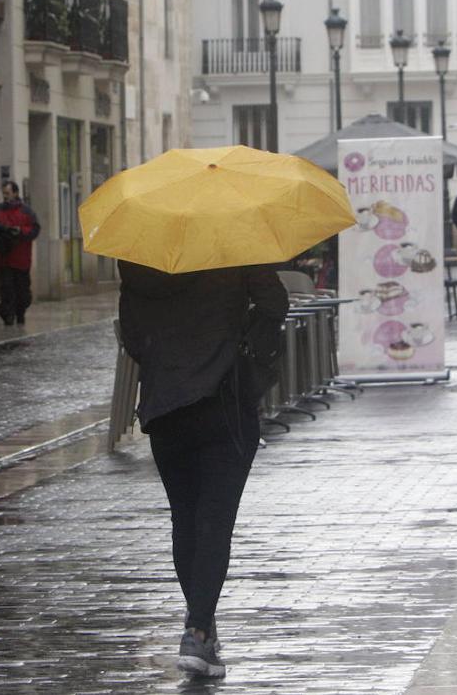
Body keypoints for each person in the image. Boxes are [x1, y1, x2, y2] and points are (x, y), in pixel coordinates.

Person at [118, 261, 288, 678]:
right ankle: (197, 631)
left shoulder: (139, 259)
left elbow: (133, 337)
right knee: (214, 521)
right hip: (223, 399)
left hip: (165, 406)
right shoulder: (232, 247)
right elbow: (275, 304)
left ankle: (202, 632)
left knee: (186, 518)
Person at [0, 182, 41, 325]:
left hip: (22, 260)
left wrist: (20, 231)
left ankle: (20, 312)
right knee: (7, 290)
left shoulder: (27, 212)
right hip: (4, 260)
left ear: (15, 193)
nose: (5, 196)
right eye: (3, 193)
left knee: (23, 292)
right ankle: (8, 316)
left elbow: (34, 229)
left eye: (8, 193)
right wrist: (1, 230)